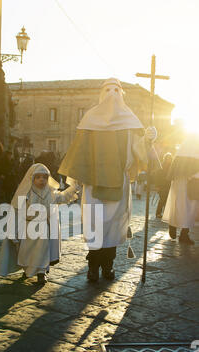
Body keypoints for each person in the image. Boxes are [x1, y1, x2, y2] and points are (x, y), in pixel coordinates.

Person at [58, 78, 159, 282]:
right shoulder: (90, 119)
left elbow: (137, 150)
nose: (112, 93)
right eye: (107, 89)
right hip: (93, 183)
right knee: (95, 226)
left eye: (116, 90)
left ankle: (108, 266)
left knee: (113, 227)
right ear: (101, 94)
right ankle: (93, 266)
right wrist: (74, 185)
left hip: (119, 184)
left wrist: (147, 140)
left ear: (121, 94)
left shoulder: (129, 122)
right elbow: (80, 153)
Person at [0, 163, 80, 284]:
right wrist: (13, 232)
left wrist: (75, 187)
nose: (42, 180)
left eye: (45, 177)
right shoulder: (25, 193)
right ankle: (28, 269)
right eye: (38, 177)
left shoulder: (51, 192)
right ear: (32, 178)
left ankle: (42, 272)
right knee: (26, 252)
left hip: (44, 227)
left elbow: (63, 197)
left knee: (43, 249)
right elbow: (16, 212)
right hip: (28, 227)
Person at [162, 134, 199, 244]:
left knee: (178, 206)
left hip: (179, 183)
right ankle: (183, 234)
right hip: (191, 184)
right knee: (189, 209)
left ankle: (174, 225)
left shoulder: (182, 150)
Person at [155, 152, 173, 218]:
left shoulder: (171, 166)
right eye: (167, 158)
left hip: (168, 185)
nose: (169, 160)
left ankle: (165, 214)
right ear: (165, 158)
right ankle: (158, 213)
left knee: (166, 200)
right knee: (162, 199)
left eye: (170, 158)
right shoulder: (161, 165)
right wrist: (157, 186)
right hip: (162, 185)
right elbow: (157, 176)